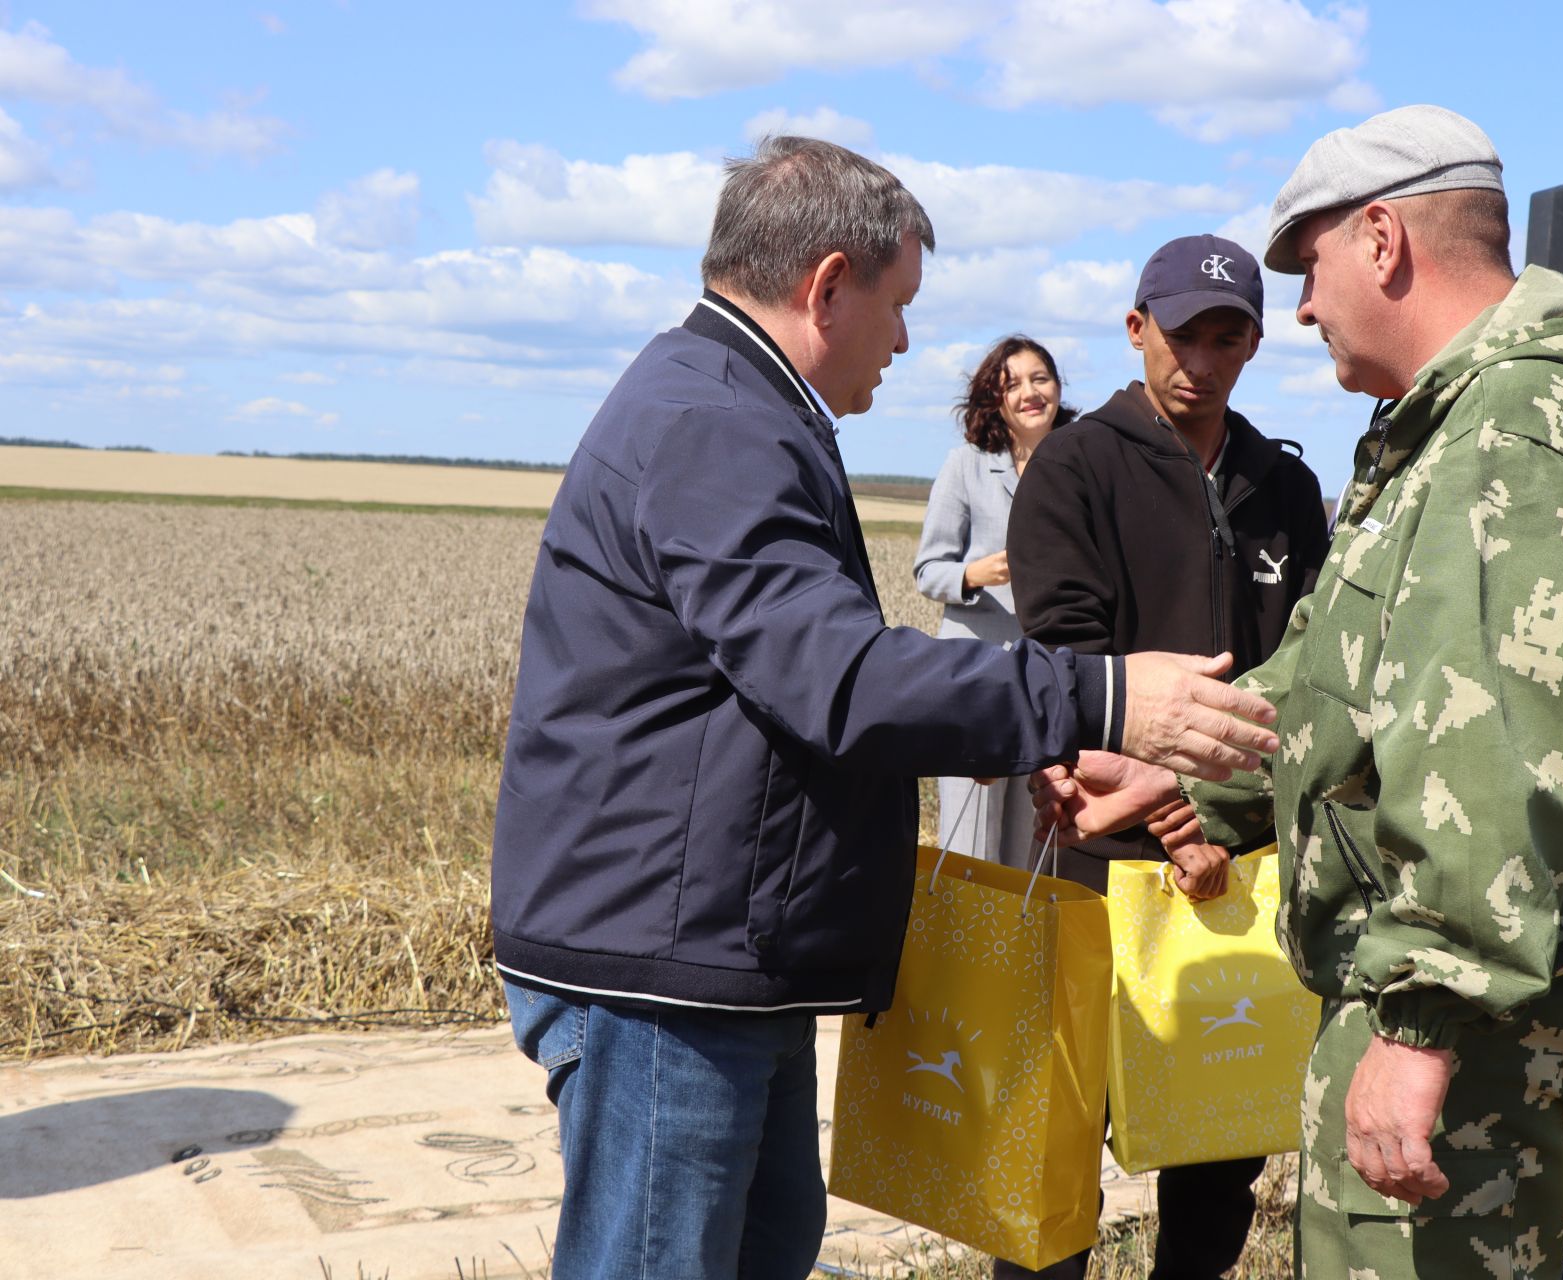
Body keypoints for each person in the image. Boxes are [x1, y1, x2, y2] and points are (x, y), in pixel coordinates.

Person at [487, 136, 1282, 1280]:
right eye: (898, 305)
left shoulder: (729, 402)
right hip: (663, 974)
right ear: (825, 287)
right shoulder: (717, 422)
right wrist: (1105, 695)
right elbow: (841, 680)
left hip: (705, 946)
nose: (906, 341)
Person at [1033, 105, 1563, 1278]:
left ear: (1380, 239)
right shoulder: (1458, 426)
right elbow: (1342, 681)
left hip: (1466, 1018)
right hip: (1454, 1000)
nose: (1299, 308)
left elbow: (1494, 759)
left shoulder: (1510, 432)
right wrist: (1184, 772)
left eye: (1305, 268)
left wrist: (1420, 1024)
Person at [998, 233, 1330, 1280]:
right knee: (1057, 1134)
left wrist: (1214, 809)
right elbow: (1066, 655)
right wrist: (1164, 806)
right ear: (1139, 329)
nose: (1201, 358)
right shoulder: (1076, 466)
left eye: (1227, 337)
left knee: (1219, 1136)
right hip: (1092, 840)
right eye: (1182, 332)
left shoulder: (1283, 485)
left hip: (1238, 854)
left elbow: (1311, 669)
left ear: (1253, 346)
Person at [915, 336, 1078, 866]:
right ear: (995, 400)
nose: (1030, 393)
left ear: (1057, 388)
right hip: (977, 679)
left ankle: (1022, 953)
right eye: (1012, 384)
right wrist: (975, 573)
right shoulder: (965, 464)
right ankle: (959, 951)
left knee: (1035, 854)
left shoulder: (1082, 465)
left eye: (1040, 379)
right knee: (971, 852)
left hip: (1053, 683)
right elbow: (927, 570)